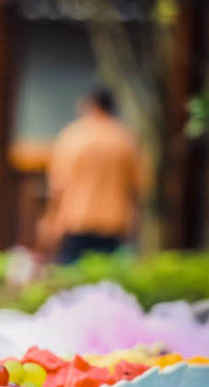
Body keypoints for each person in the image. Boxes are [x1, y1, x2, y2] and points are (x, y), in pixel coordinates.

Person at [39, 87, 148, 264]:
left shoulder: (73, 137)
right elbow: (138, 186)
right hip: (115, 220)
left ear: (90, 106)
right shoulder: (125, 139)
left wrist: (50, 219)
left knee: (72, 278)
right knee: (108, 280)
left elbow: (58, 185)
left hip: (76, 218)